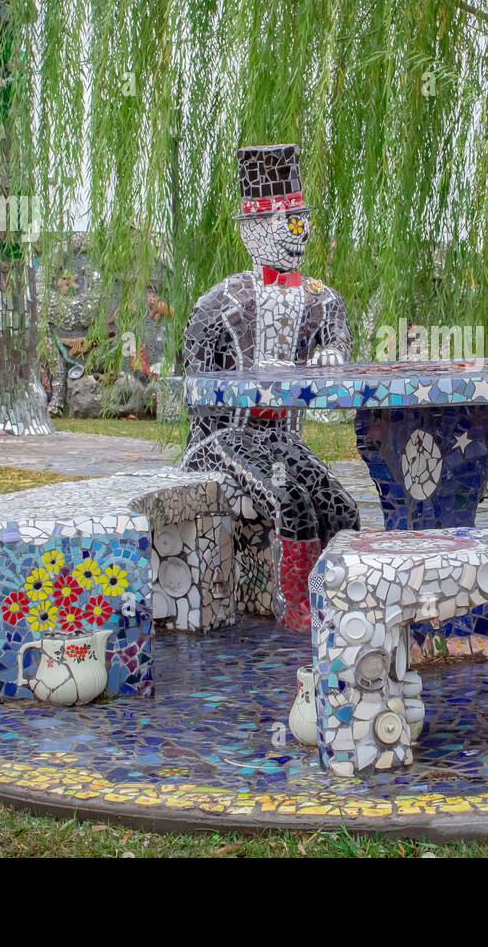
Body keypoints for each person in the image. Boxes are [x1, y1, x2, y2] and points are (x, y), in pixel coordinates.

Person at [181, 144, 358, 630]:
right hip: (222, 443)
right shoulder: (218, 303)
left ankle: (342, 598)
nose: (296, 234)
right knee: (293, 502)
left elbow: (337, 349)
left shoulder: (324, 301)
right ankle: (297, 605)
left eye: (300, 221)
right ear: (252, 232)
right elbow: (196, 389)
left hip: (283, 440)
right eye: (286, 222)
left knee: (339, 505)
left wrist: (330, 357)